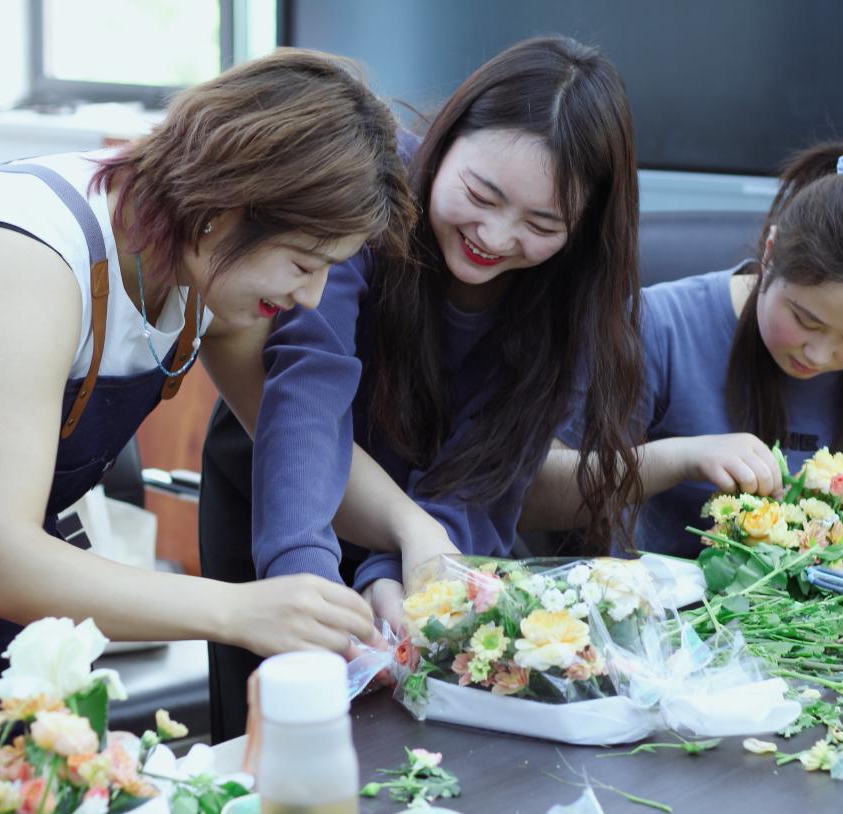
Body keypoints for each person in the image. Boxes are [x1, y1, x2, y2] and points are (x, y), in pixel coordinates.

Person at [0, 49, 415, 691]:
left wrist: (419, 535)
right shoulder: (40, 258)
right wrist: (240, 611)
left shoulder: (207, 272)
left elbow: (300, 450)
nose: (310, 297)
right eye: (304, 263)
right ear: (225, 207)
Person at [201, 36, 645, 738]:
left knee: (421, 751)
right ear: (445, 138)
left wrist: (397, 570)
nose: (495, 236)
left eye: (541, 224)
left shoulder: (575, 295)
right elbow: (310, 393)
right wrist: (302, 577)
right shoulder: (367, 196)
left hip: (438, 529)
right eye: (481, 195)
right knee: (283, 733)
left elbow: (489, 472)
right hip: (285, 483)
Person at [537, 129, 843, 560]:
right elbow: (534, 495)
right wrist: (681, 458)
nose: (818, 354)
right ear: (770, 251)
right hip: (668, 601)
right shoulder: (661, 325)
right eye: (805, 320)